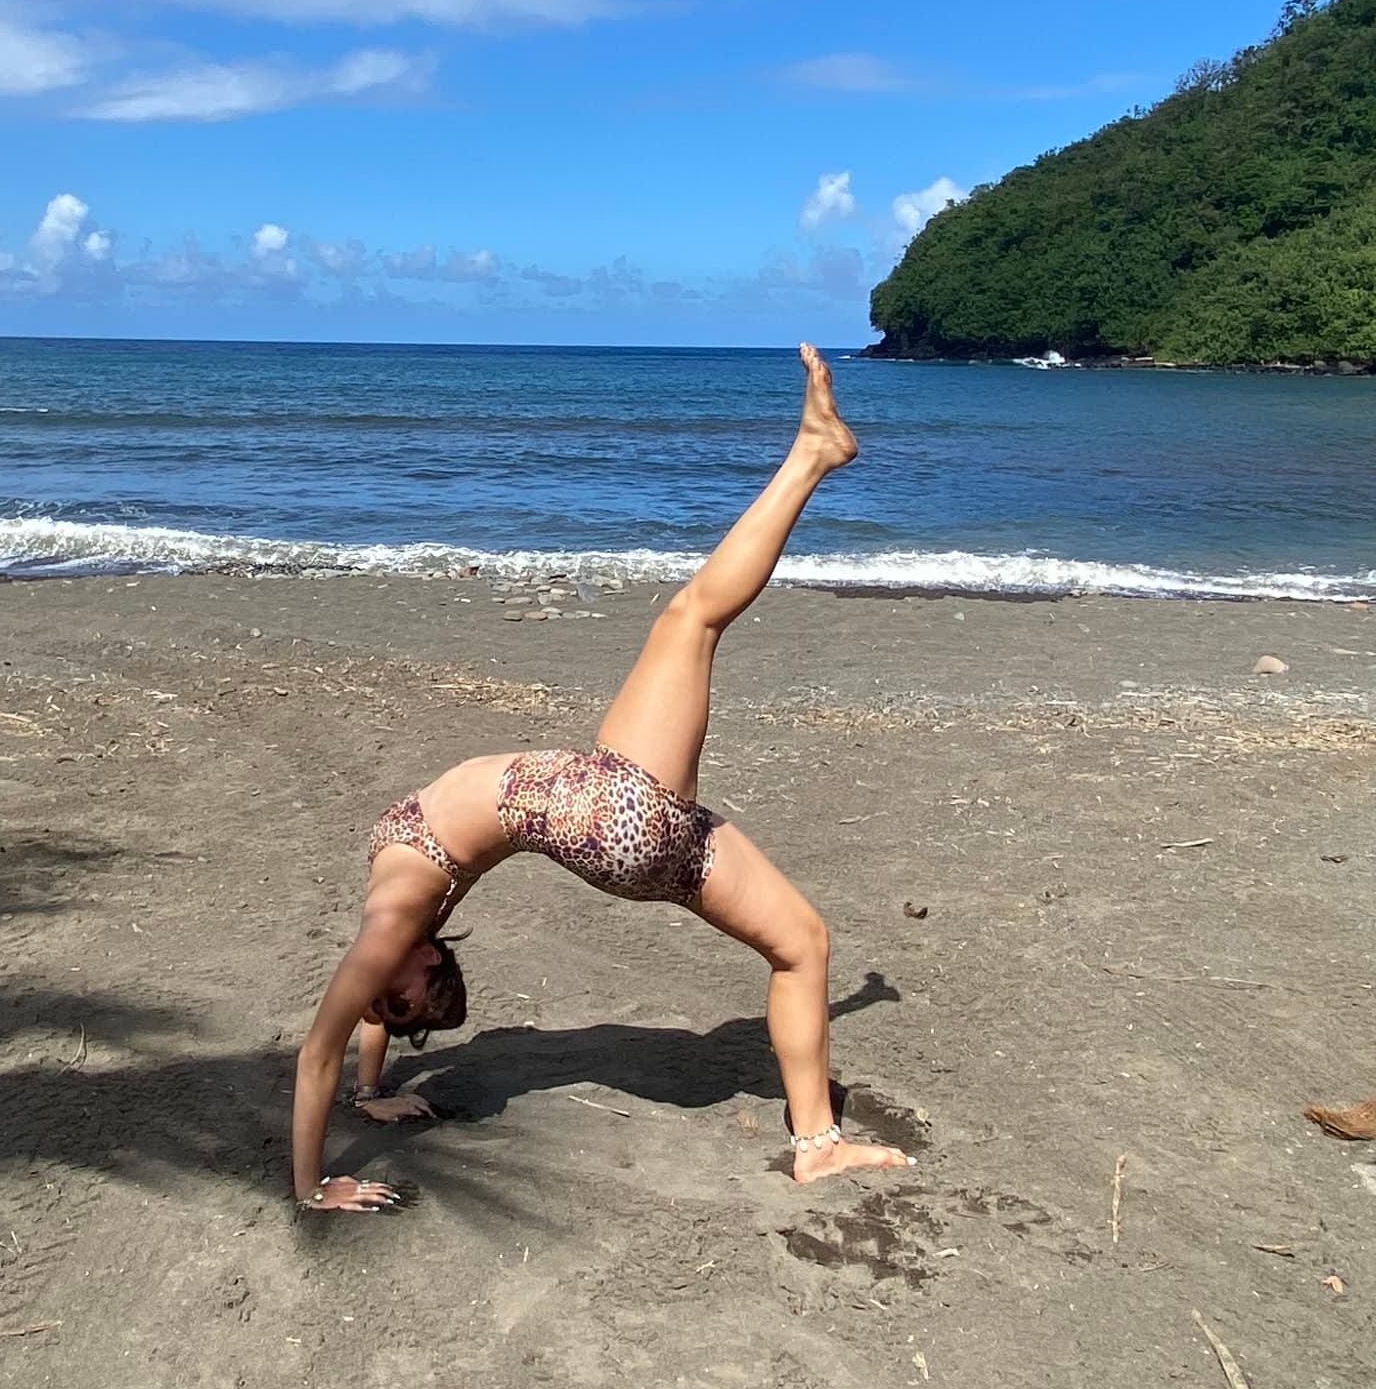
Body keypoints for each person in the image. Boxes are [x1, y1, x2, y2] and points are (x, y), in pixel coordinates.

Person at [290, 346, 915, 1213]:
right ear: (423, 957)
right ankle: (812, 453)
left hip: (632, 839)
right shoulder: (398, 917)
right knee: (690, 617)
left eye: (390, 1003)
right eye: (398, 997)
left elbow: (363, 1018)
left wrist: (372, 1090)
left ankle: (817, 1144)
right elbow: (319, 1046)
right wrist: (314, 1182)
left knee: (803, 944)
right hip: (608, 808)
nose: (380, 992)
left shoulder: (401, 924)